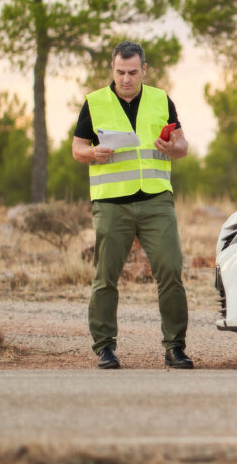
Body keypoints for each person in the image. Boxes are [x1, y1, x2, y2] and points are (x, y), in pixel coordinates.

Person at [72, 41, 193, 370]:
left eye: (132, 72)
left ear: (144, 70)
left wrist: (172, 147)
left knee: (170, 269)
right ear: (112, 69)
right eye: (120, 72)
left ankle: (175, 347)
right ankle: (105, 348)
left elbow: (182, 146)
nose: (126, 79)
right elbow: (77, 149)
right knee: (106, 276)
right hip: (112, 204)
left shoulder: (160, 99)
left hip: (156, 201)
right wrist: (92, 154)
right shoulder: (94, 103)